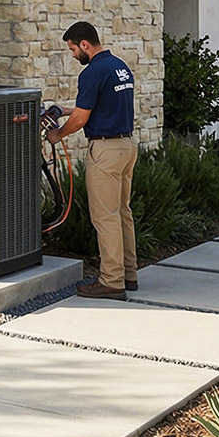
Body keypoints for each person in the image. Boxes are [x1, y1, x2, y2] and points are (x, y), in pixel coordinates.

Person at [48, 21, 137, 300]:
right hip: (126, 146)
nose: (73, 55)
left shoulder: (92, 72)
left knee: (105, 218)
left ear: (85, 44)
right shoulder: (119, 67)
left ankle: (111, 281)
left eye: (73, 49)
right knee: (122, 212)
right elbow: (101, 105)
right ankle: (129, 273)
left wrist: (57, 134)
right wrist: (64, 110)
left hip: (105, 152)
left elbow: (82, 118)